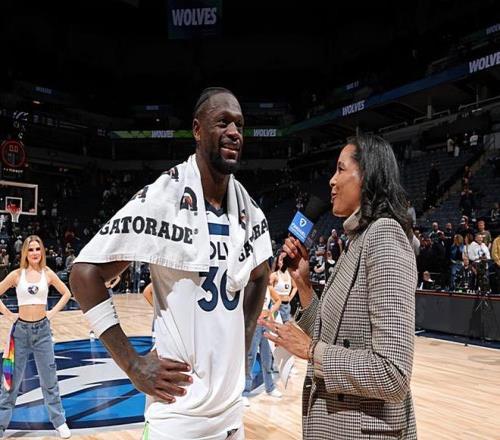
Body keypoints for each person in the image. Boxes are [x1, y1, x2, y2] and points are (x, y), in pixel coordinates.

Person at [70, 87, 272, 440]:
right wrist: (132, 364)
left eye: (239, 125)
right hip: (178, 417)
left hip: (231, 415)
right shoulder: (163, 197)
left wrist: (244, 338)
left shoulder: (249, 210)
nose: (234, 132)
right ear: (197, 130)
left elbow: (260, 274)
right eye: (223, 122)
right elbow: (83, 274)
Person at [261, 134, 417, 439]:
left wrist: (310, 350)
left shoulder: (384, 236)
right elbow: (331, 334)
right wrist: (304, 285)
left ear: (367, 176)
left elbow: (393, 373)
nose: (331, 181)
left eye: (340, 169)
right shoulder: (356, 241)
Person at [0, 235, 71, 438]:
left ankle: (59, 422)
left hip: (42, 332)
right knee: (10, 382)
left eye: (37, 249)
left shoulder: (47, 273)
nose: (34, 253)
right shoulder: (17, 275)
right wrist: (9, 314)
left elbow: (66, 293)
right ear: (25, 252)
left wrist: (51, 313)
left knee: (49, 380)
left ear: (42, 252)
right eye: (30, 249)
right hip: (20, 333)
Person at [243, 269, 283, 406]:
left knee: (267, 357)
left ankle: (270, 387)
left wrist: (271, 312)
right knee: (250, 357)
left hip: (266, 324)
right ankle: (244, 392)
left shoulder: (268, 288)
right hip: (255, 325)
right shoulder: (251, 286)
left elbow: (278, 300)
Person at [269, 253, 297, 323]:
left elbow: (295, 287)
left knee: (285, 327)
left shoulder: (290, 275)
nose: (283, 262)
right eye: (281, 260)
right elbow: (268, 289)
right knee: (274, 326)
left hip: (286, 306)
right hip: (276, 306)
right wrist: (274, 300)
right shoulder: (274, 275)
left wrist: (290, 298)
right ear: (278, 262)